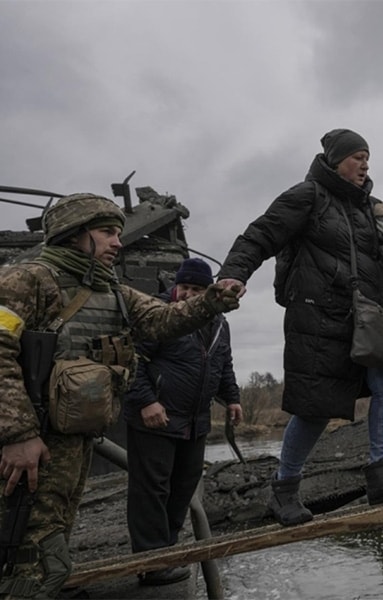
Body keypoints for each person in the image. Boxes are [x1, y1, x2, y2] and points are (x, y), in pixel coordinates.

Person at [0, 193, 239, 598]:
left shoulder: (112, 291)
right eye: (107, 232)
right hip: (32, 439)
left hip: (75, 438)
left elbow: (163, 319)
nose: (118, 242)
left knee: (56, 527)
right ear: (74, 235)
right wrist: (18, 434)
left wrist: (214, 299)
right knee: (25, 538)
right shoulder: (26, 281)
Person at [217, 128, 383, 526]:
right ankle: (285, 490)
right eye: (356, 157)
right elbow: (259, 234)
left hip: (374, 313)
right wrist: (234, 273)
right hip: (320, 315)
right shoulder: (307, 195)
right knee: (316, 407)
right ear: (335, 160)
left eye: (368, 157)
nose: (365, 164)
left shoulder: (372, 208)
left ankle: (382, 474)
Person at [123, 257, 243, 587]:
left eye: (197, 289)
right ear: (175, 286)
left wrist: (232, 397)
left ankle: (169, 551)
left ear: (209, 291)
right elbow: (131, 360)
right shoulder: (156, 313)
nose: (189, 294)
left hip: (195, 419)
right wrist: (147, 400)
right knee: (152, 489)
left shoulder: (218, 320)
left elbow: (223, 361)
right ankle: (152, 563)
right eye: (184, 287)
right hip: (155, 416)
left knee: (184, 486)